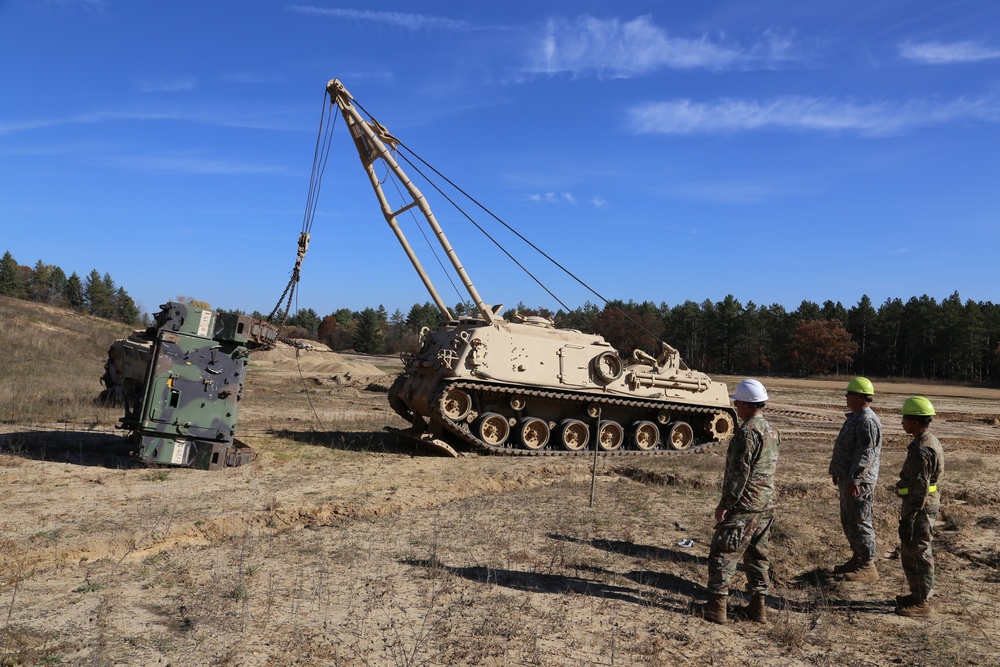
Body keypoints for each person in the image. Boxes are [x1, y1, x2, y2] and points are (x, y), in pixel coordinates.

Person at [703, 378, 780, 624]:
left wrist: (725, 504)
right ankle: (758, 609)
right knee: (758, 557)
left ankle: (716, 609)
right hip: (765, 504)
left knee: (723, 553)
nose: (735, 405)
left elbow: (739, 474)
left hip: (744, 505)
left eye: (737, 402)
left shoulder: (747, 432)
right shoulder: (771, 429)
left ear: (746, 405)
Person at [828, 376, 883, 583]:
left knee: (860, 520)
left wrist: (855, 479)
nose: (846, 397)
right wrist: (839, 471)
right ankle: (858, 558)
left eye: (849, 394)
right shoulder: (856, 417)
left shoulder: (867, 421)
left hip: (859, 483)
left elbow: (865, 454)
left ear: (859, 397)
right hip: (849, 479)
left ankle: (867, 566)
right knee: (849, 520)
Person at [895, 396, 944, 617]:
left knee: (919, 552)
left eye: (905, 418)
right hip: (920, 505)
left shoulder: (922, 449)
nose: (902, 422)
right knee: (911, 550)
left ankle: (922, 602)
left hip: (920, 507)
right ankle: (917, 595)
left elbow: (920, 487)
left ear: (915, 421)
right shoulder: (926, 441)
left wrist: (909, 518)